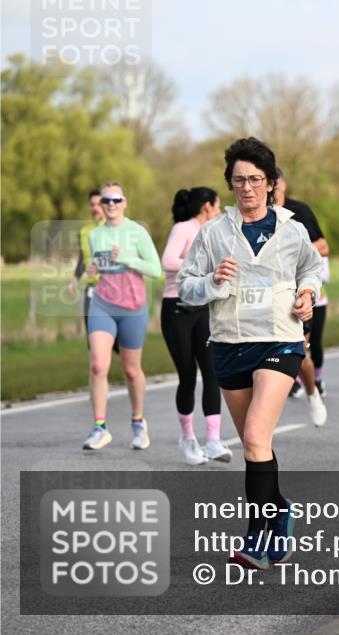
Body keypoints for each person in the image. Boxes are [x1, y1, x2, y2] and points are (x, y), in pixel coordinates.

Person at [178, 137, 322, 569]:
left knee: (257, 437)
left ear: (271, 183)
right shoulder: (213, 234)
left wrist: (308, 293)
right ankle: (280, 512)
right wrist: (213, 282)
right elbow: (186, 288)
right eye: (239, 180)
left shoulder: (292, 229)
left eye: (256, 179)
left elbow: (311, 267)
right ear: (230, 184)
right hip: (229, 345)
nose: (247, 188)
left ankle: (256, 538)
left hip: (280, 340)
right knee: (254, 445)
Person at [81, 182, 163, 451]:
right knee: (97, 365)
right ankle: (99, 427)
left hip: (132, 307)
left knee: (130, 369)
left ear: (124, 202)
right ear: (101, 205)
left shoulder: (137, 231)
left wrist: (128, 258)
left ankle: (138, 422)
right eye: (106, 201)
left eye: (116, 199)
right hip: (102, 303)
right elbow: (99, 269)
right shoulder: (95, 235)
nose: (111, 204)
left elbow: (156, 269)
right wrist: (92, 269)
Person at [161, 186, 230, 465]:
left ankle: (213, 441)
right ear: (207, 207)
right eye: (218, 206)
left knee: (213, 373)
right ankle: (188, 439)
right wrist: (203, 270)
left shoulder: (213, 234)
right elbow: (167, 260)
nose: (220, 210)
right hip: (177, 308)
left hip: (204, 309)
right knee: (188, 376)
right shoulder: (184, 228)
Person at [273, 171, 328, 426]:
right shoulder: (253, 215)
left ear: (281, 184)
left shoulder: (299, 212)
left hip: (297, 293)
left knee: (298, 353)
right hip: (266, 296)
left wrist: (296, 255)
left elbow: (323, 246)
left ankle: (312, 392)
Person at [68, 190, 105, 343]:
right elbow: (83, 258)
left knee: (112, 338)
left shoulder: (115, 229)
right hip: (91, 288)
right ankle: (97, 366)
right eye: (92, 204)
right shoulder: (85, 231)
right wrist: (74, 280)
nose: (95, 208)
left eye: (99, 204)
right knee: (92, 335)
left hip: (111, 288)